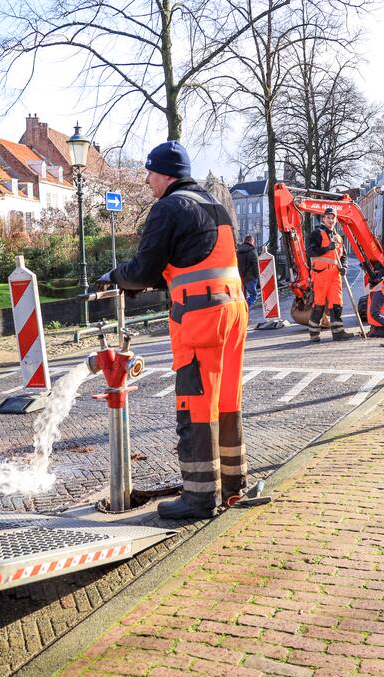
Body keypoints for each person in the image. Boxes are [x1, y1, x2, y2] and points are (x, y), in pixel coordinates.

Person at [95, 141, 248, 520]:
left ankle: (198, 498)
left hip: (201, 316)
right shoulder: (215, 205)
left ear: (165, 174)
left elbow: (146, 269)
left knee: (195, 403)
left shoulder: (169, 207)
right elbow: (191, 261)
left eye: (150, 173)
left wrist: (115, 277)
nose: (147, 180)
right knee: (225, 400)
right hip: (233, 311)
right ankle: (232, 484)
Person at [306, 208, 352, 342]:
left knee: (337, 304)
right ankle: (314, 333)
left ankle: (338, 333)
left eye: (333, 218)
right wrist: (327, 248)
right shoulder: (316, 234)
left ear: (336, 220)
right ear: (323, 219)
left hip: (335, 275)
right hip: (320, 274)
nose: (331, 220)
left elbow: (343, 256)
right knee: (319, 304)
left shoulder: (338, 237)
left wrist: (344, 267)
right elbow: (310, 251)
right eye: (328, 218)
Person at [237, 235, 260, 307]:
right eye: (253, 241)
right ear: (251, 241)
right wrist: (258, 276)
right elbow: (256, 265)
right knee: (253, 295)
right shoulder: (252, 251)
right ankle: (245, 308)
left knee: (242, 296)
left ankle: (243, 310)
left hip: (240, 277)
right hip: (251, 277)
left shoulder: (238, 251)